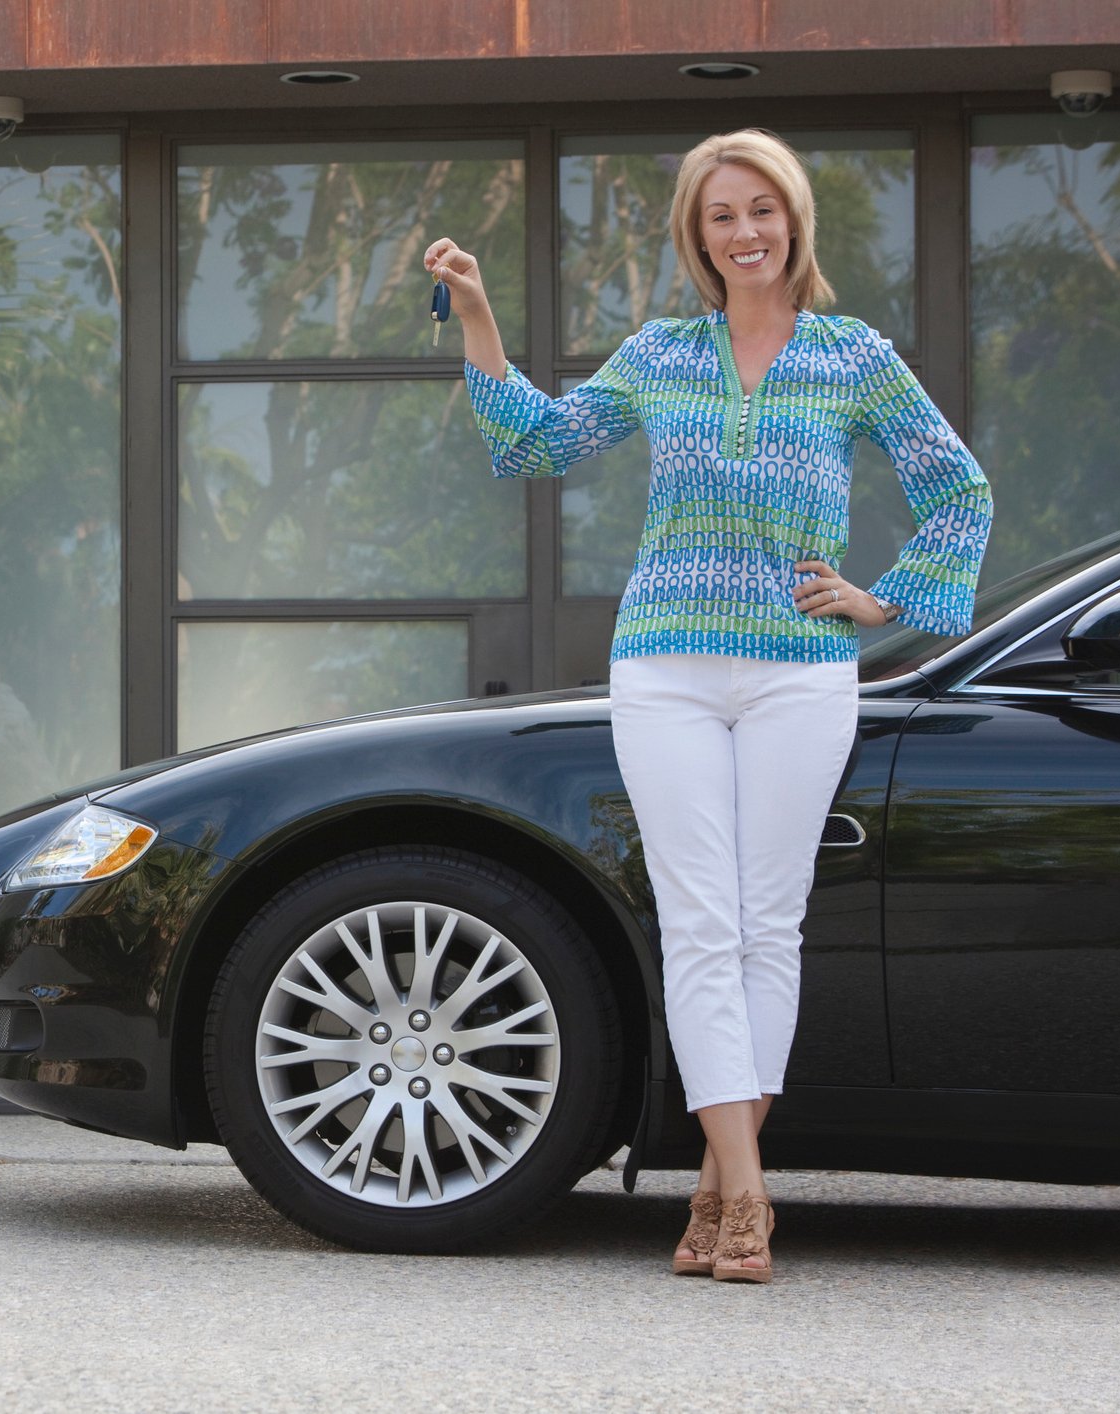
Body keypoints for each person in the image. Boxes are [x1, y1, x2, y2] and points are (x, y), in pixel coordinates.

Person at [423, 129, 992, 1283]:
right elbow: (535, 442)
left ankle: (722, 1182)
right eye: (721, 215)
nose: (745, 232)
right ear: (698, 235)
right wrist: (475, 309)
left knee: (764, 924)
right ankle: (747, 1189)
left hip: (801, 669)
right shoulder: (661, 354)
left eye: (762, 211)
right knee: (700, 923)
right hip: (667, 667)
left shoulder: (852, 354)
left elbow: (959, 488)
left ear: (794, 223)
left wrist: (887, 601)